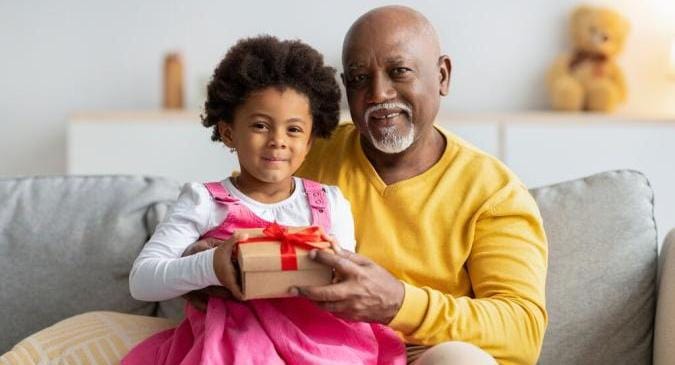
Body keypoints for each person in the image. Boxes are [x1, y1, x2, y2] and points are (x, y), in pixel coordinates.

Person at [186, 6, 548, 365]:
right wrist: (201, 261)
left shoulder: (493, 192)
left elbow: (522, 330)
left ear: (442, 76)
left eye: (399, 71)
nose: (378, 93)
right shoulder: (307, 153)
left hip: (421, 355)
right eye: (359, 79)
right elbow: (231, 213)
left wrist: (398, 303)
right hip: (300, 347)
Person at [122, 35, 405, 364]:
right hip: (235, 344)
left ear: (311, 140)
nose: (278, 141)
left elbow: (345, 277)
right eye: (260, 125)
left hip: (321, 344)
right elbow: (142, 281)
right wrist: (211, 266)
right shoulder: (204, 201)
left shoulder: (329, 202)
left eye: (294, 130)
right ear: (229, 132)